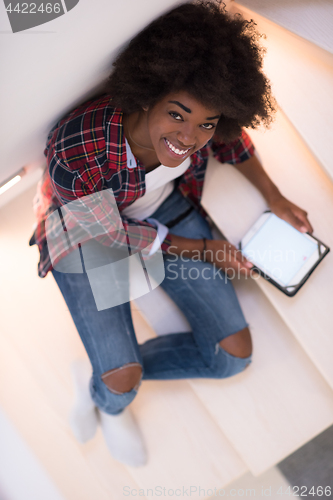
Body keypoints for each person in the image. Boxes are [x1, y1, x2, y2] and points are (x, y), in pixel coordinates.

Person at [29, 0, 312, 466]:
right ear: (148, 94)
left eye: (205, 124)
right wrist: (206, 249)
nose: (189, 137)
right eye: (178, 115)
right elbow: (111, 236)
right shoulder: (77, 145)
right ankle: (110, 390)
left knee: (232, 357)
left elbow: (234, 140)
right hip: (86, 232)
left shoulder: (205, 127)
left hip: (162, 214)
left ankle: (102, 375)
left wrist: (274, 195)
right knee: (122, 380)